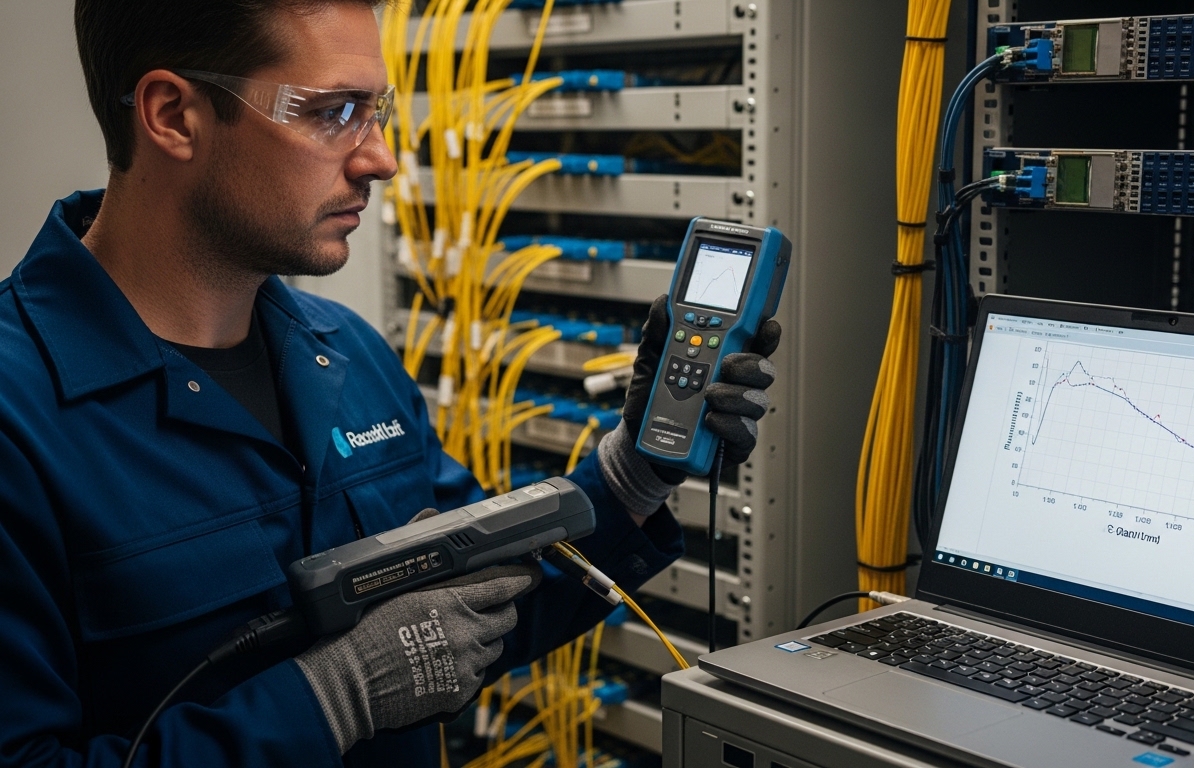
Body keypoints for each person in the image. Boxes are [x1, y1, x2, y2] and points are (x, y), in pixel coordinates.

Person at [0, 1, 781, 766]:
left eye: (376, 111)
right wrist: (329, 699)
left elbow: (478, 600)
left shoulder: (347, 356)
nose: (379, 159)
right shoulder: (20, 415)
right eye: (333, 112)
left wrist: (631, 477)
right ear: (173, 115)